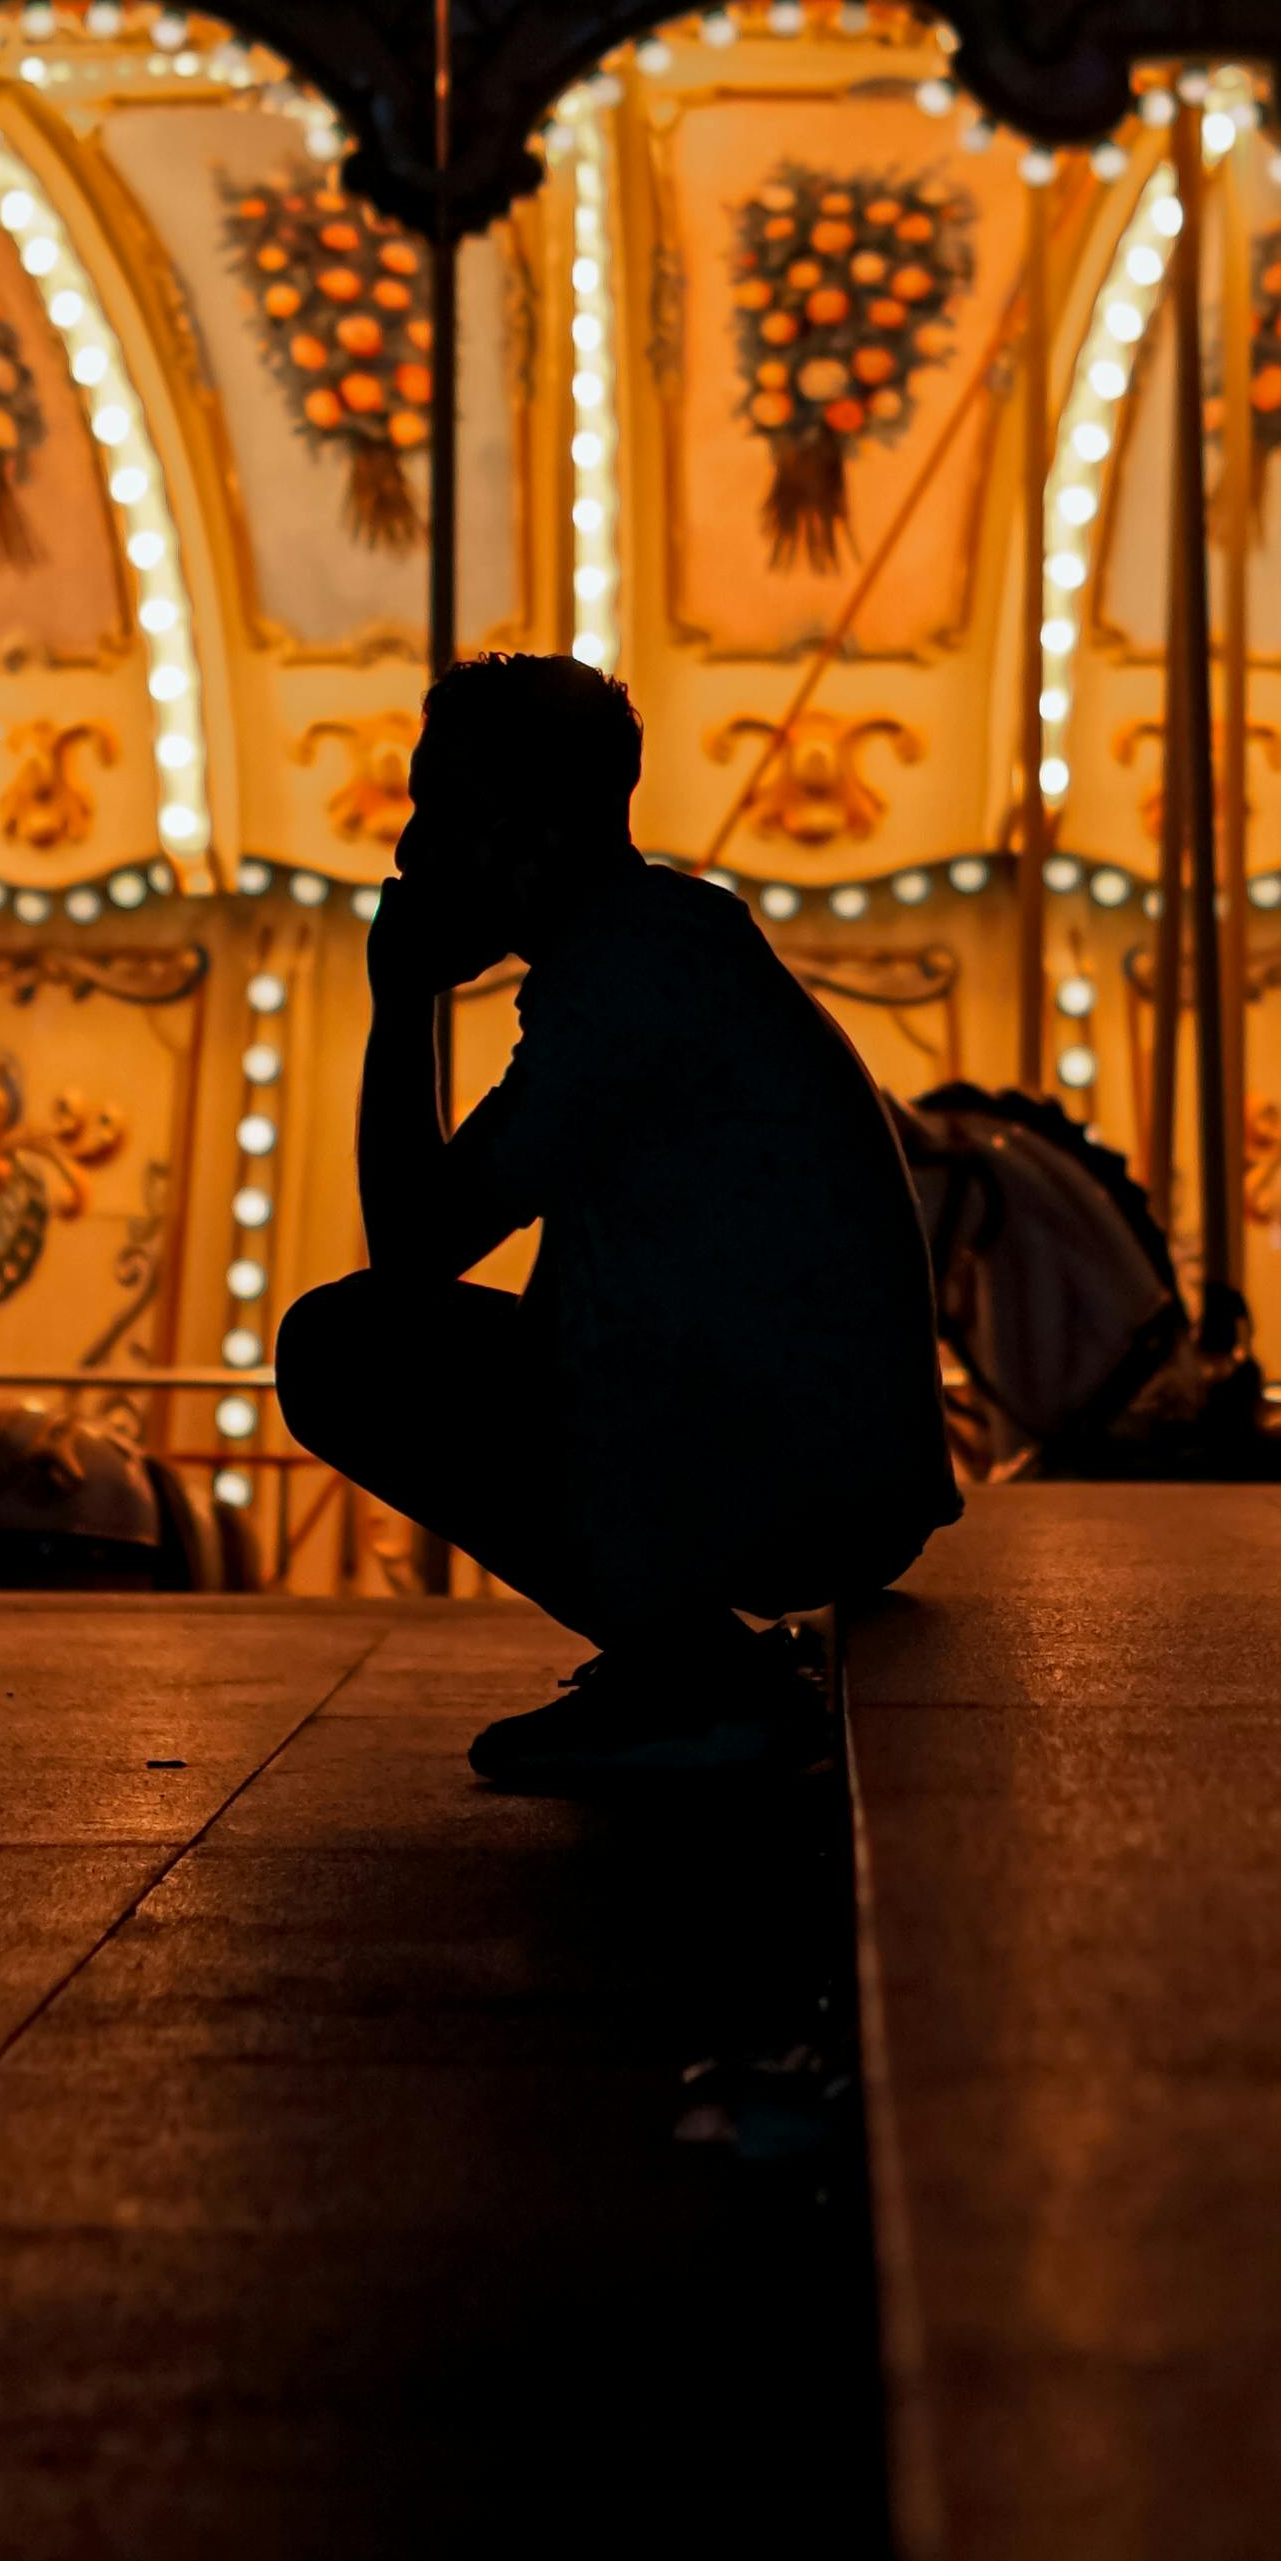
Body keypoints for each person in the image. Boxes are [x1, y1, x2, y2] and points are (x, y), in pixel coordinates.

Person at [274, 655, 958, 1782]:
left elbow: (415, 1244)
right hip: (825, 1451)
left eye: (440, 806)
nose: (409, 853)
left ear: (525, 820)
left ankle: (697, 1677)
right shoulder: (656, 949)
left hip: (800, 1472)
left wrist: (400, 1000)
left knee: (341, 1350)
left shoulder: (635, 971)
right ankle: (674, 1656)